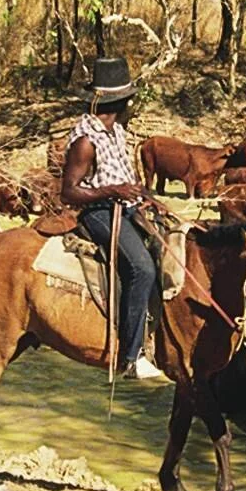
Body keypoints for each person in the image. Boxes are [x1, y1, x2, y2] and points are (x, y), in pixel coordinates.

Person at [60, 57, 165, 380]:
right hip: (99, 212)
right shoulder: (85, 141)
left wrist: (145, 196)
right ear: (120, 102)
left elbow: (123, 178)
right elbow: (69, 192)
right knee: (142, 268)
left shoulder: (116, 131)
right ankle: (131, 356)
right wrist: (111, 191)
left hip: (127, 206)